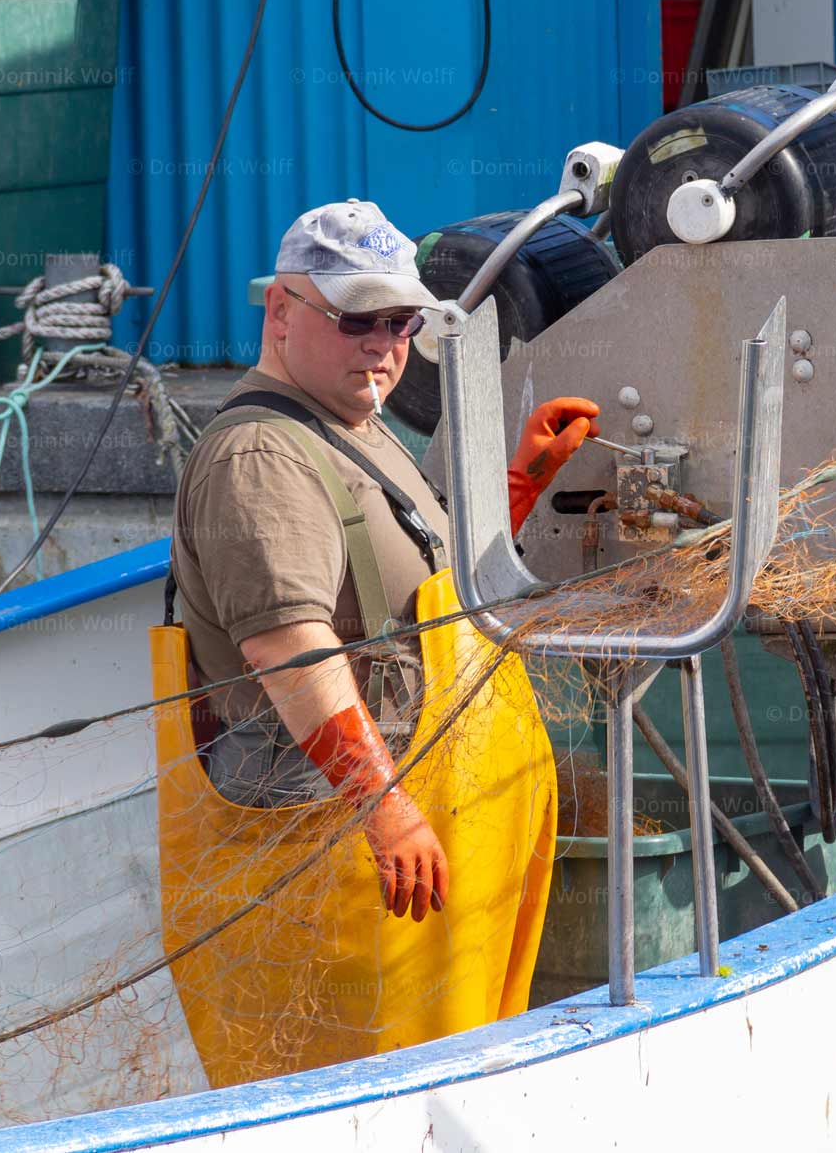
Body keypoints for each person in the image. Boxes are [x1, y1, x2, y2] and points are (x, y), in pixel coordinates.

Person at [155, 199, 597, 1084]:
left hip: (416, 876)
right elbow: (291, 650)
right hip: (336, 883)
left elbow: (413, 599)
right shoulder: (261, 457)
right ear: (281, 312)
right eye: (359, 319)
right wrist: (386, 808)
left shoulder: (354, 425)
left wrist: (520, 481)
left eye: (401, 322)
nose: (385, 346)